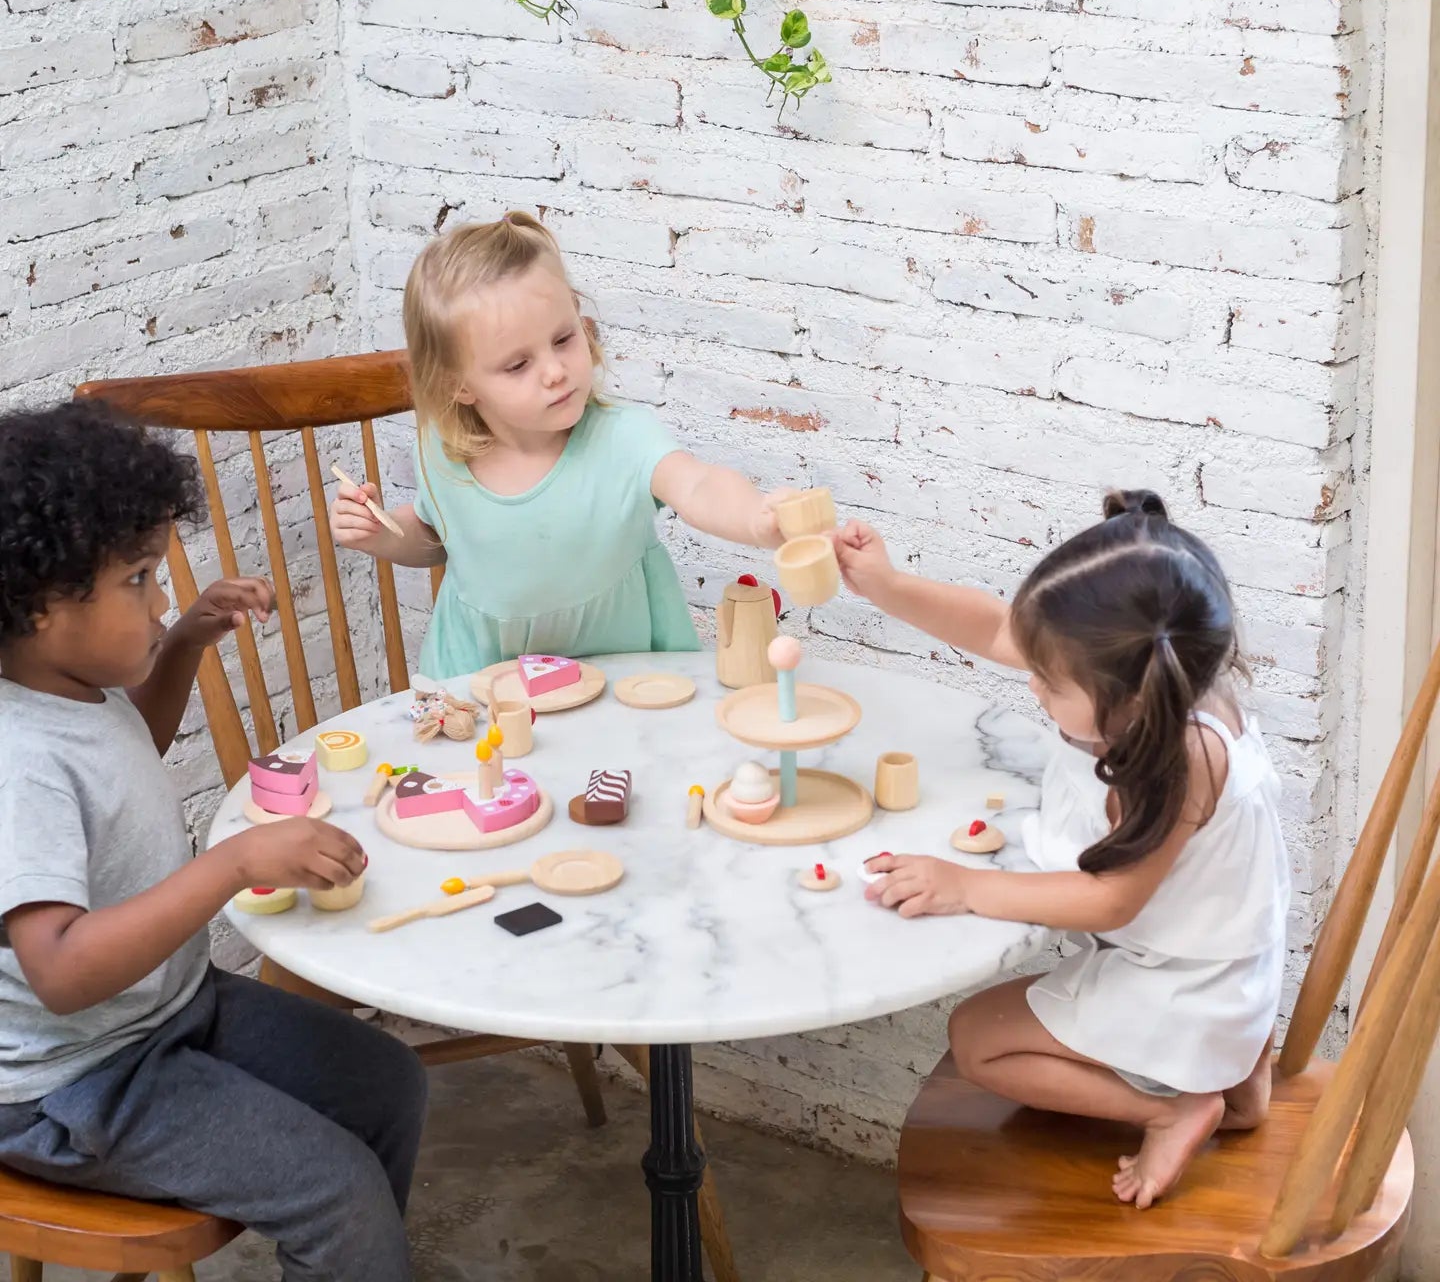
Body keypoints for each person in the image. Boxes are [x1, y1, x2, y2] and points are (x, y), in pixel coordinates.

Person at [0, 400, 427, 1280]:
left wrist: (185, 638)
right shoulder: (17, 762)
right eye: (140, 582)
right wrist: (231, 865)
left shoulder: (71, 685)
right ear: (43, 606)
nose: (160, 596)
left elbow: (130, 756)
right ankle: (351, 1244)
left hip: (167, 1011)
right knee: (335, 1191)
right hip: (73, 1083)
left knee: (390, 1085)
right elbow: (63, 969)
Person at [835, 489, 1290, 1209]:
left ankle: (1171, 1109)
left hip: (1191, 986)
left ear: (1130, 700)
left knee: (978, 1038)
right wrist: (886, 586)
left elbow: (1110, 898)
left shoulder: (1182, 758)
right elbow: (992, 628)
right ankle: (1232, 1081)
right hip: (1237, 966)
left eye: (1048, 681)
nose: (1031, 683)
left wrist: (965, 885)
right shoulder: (1157, 677)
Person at [331, 212, 791, 677]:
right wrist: (383, 534)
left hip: (622, 678)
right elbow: (439, 538)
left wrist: (756, 516)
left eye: (563, 338)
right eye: (518, 365)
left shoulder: (622, 437)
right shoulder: (443, 453)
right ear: (459, 386)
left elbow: (698, 485)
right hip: (481, 682)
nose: (555, 371)